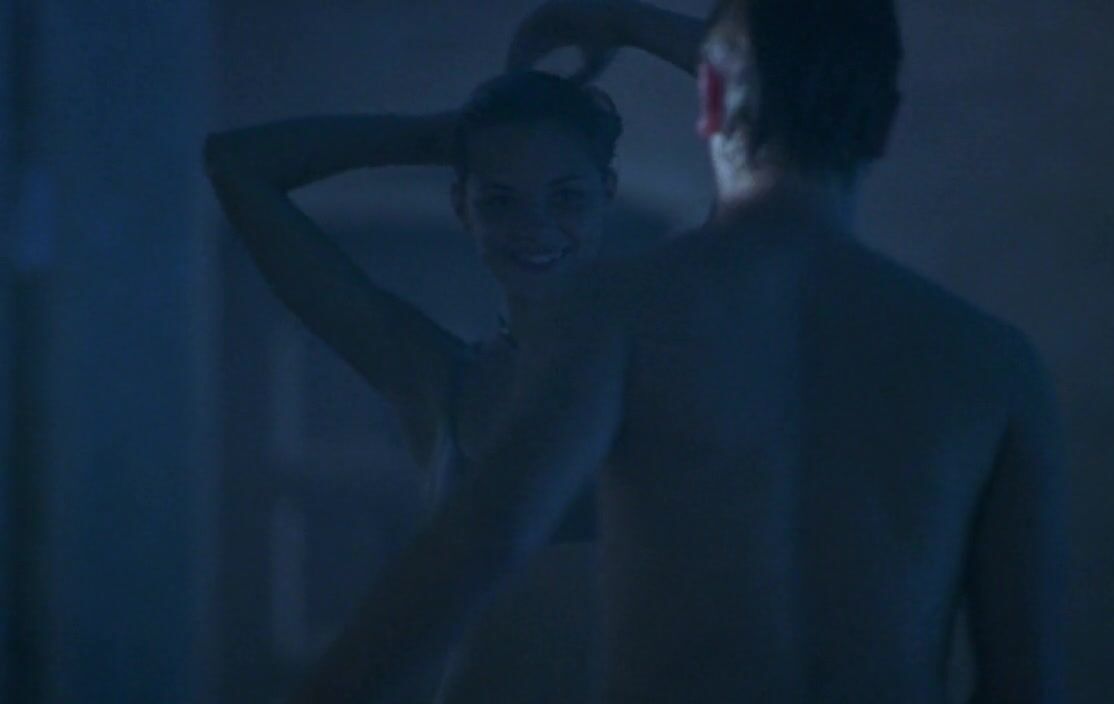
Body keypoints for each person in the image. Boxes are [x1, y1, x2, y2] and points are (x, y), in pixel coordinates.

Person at [291, 1, 1067, 703]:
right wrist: (630, 23)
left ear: (710, 100)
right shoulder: (994, 366)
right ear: (887, 123)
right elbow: (1024, 683)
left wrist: (625, 23)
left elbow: (476, 552)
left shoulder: (619, 314)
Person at [203, 70, 645, 703]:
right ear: (462, 207)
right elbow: (236, 164)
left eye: (567, 196)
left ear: (608, 193)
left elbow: (779, 146)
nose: (535, 225)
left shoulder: (672, 363)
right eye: (501, 200)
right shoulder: (439, 380)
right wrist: (433, 139)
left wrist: (627, 24)